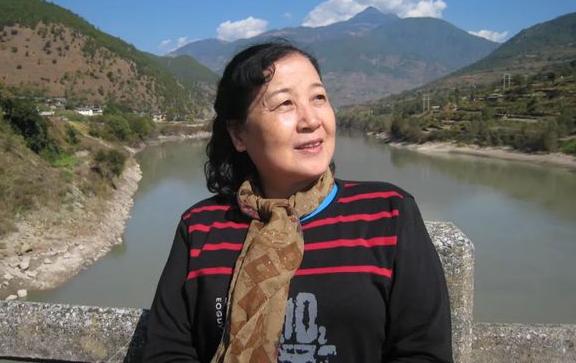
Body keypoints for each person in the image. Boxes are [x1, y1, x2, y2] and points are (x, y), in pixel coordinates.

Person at [142, 41, 453, 363]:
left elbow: (423, 352)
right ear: (238, 134)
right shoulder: (201, 227)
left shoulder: (388, 214)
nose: (311, 120)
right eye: (285, 103)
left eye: (318, 98)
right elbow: (168, 352)